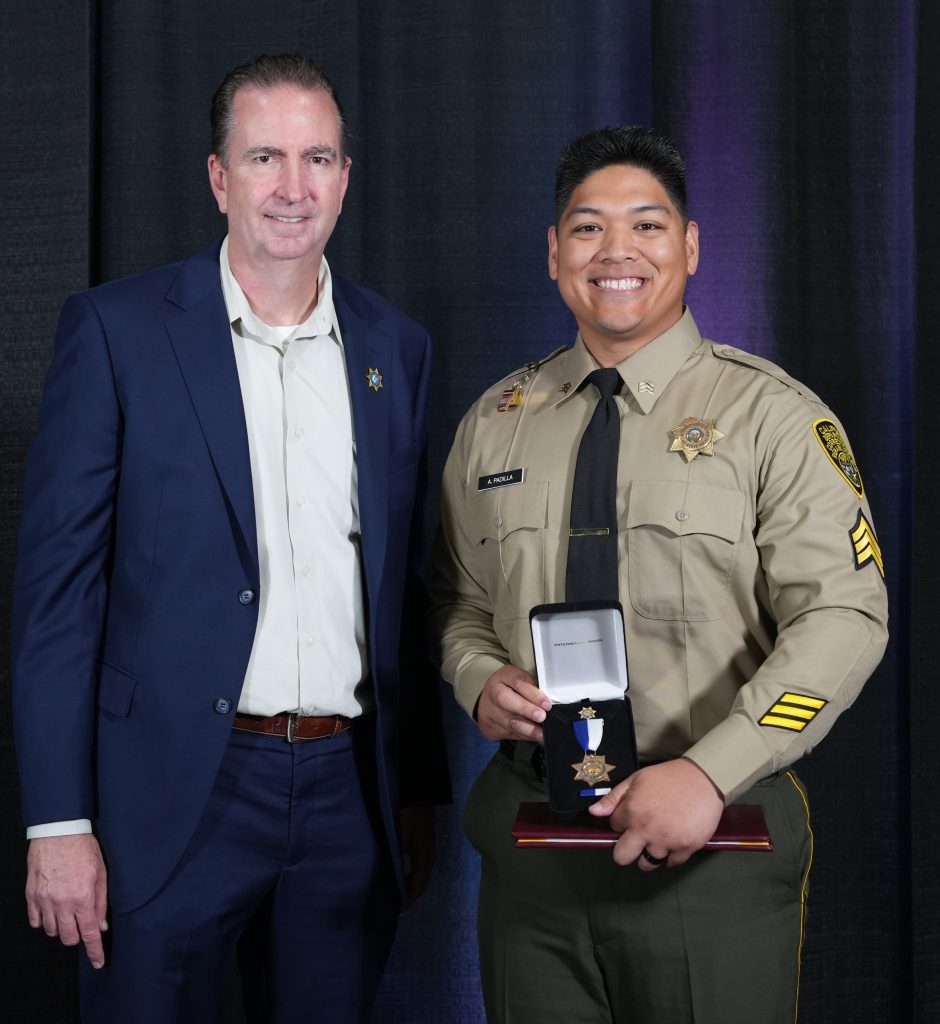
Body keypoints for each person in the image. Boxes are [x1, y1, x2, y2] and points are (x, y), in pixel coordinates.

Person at [12, 53, 448, 1023]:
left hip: (346, 799)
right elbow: (57, 598)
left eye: (317, 158)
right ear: (218, 178)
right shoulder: (118, 331)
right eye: (264, 158)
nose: (293, 186)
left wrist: (412, 793)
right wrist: (57, 820)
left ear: (345, 177)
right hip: (165, 799)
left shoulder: (396, 348)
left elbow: (404, 588)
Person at [431, 125, 888, 1024]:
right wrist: (476, 675)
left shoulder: (773, 418)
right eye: (588, 227)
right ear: (554, 253)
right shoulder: (494, 423)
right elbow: (458, 601)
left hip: (714, 848)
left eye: (646, 225)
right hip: (534, 849)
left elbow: (844, 618)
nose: (617, 251)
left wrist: (712, 773)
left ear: (691, 246)